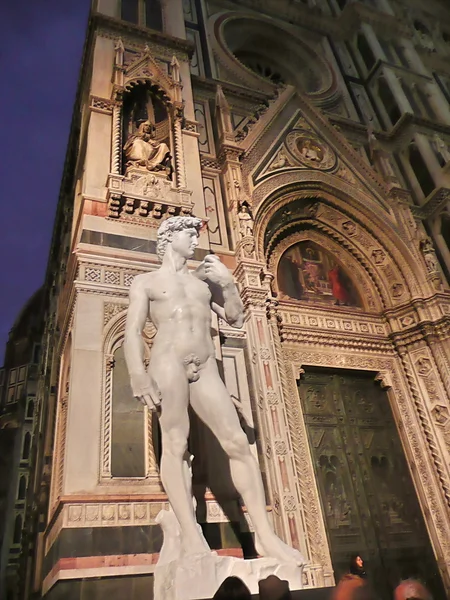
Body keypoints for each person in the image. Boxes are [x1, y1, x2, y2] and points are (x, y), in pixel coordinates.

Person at [124, 216, 304, 566]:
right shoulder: (145, 282)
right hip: (167, 362)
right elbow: (132, 331)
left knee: (238, 443)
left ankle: (266, 536)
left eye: (195, 234)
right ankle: (191, 536)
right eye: (189, 234)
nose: (194, 240)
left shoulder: (202, 284)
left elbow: (235, 319)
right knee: (176, 443)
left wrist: (230, 284)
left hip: (205, 366)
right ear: (169, 237)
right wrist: (137, 374)